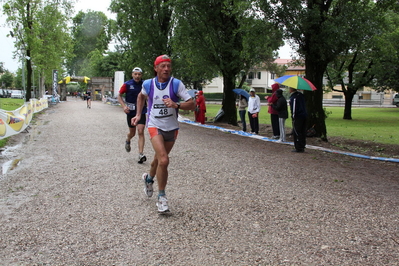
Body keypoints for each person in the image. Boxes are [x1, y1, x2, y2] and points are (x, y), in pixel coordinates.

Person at [132, 55, 195, 213]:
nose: (166, 69)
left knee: (158, 160)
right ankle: (162, 198)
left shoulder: (176, 84)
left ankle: (148, 179)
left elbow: (192, 104)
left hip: (172, 128)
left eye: (168, 66)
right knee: (164, 160)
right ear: (156, 68)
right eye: (163, 66)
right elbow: (141, 96)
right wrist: (139, 115)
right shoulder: (148, 84)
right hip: (155, 125)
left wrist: (176, 104)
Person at [117, 67, 147, 164]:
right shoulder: (127, 84)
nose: (137, 76)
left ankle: (140, 154)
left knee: (141, 131)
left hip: (141, 111)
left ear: (141, 75)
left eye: (139, 74)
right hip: (131, 112)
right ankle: (128, 139)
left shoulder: (145, 84)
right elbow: (119, 95)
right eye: (135, 74)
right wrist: (124, 106)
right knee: (132, 133)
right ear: (132, 74)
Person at [289, 87, 307, 152]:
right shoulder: (301, 95)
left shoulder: (294, 97)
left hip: (298, 116)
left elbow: (294, 108)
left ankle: (298, 147)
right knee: (302, 131)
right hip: (303, 115)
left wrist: (293, 116)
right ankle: (302, 145)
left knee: (296, 131)